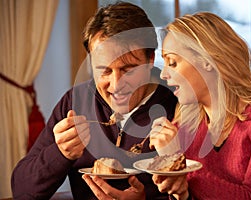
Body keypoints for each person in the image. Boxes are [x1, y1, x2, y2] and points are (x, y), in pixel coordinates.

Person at [11, 2, 177, 200]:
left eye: (128, 70)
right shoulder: (76, 102)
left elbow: (197, 191)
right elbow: (21, 191)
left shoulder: (178, 104)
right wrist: (60, 153)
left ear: (150, 59)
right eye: (104, 70)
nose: (116, 85)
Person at [149, 12, 251, 200]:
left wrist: (177, 162)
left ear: (207, 59)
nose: (163, 74)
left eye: (172, 62)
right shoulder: (185, 126)